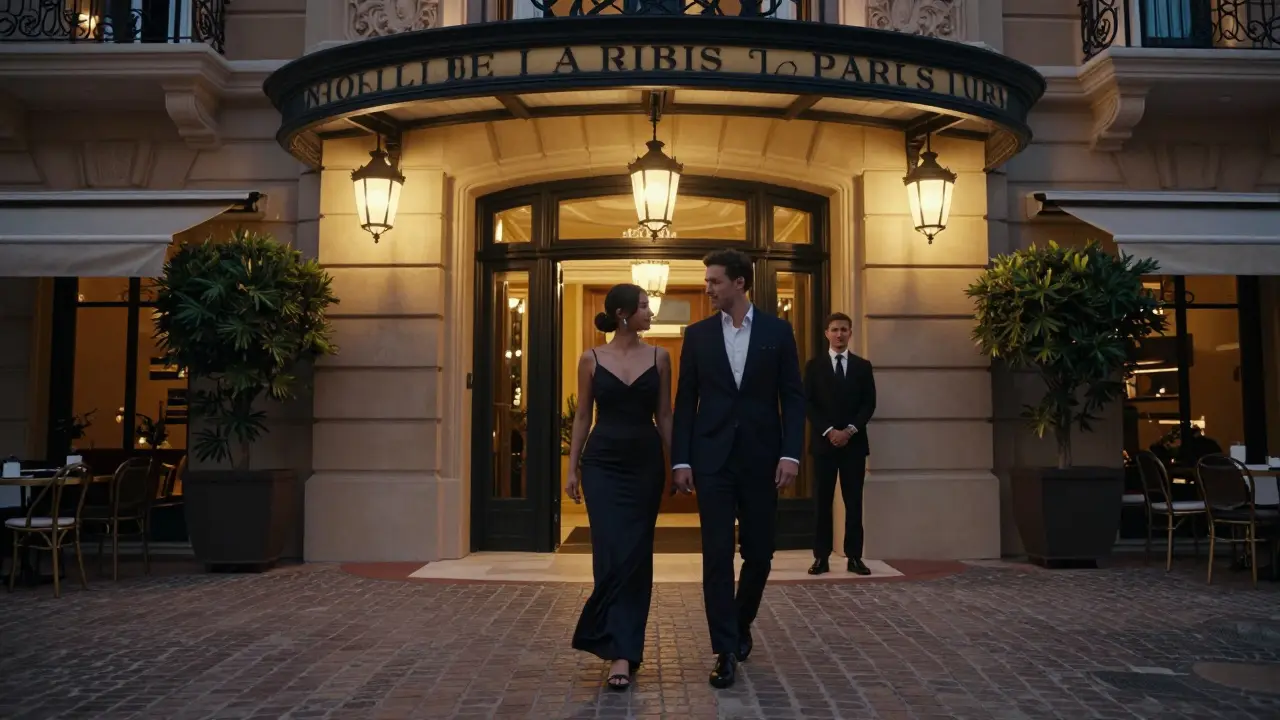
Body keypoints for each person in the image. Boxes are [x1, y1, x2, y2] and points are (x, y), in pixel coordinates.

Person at [670, 249, 805, 689]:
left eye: (715, 281)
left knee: (760, 553)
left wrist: (791, 454)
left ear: (740, 283)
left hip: (763, 460)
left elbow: (793, 397)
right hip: (711, 460)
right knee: (715, 555)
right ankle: (725, 649)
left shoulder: (778, 332)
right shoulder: (697, 335)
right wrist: (681, 459)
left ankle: (740, 620)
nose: (708, 288)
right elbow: (685, 402)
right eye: (707, 281)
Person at [564, 283, 672, 692]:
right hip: (602, 465)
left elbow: (665, 415)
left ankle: (624, 648)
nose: (650, 313)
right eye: (644, 306)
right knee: (610, 552)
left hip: (645, 464)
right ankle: (617, 650)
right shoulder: (590, 359)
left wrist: (679, 464)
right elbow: (582, 417)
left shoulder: (661, 357)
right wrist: (572, 469)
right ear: (623, 314)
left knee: (636, 555)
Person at [803, 312, 877, 576]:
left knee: (853, 503)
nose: (839, 334)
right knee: (822, 503)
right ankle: (821, 558)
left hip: (853, 445)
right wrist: (829, 431)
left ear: (850, 333)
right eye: (834, 329)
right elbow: (808, 403)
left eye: (844, 329)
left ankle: (854, 557)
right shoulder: (814, 366)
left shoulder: (862, 366)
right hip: (824, 445)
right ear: (826, 333)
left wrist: (849, 431)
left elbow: (869, 404)